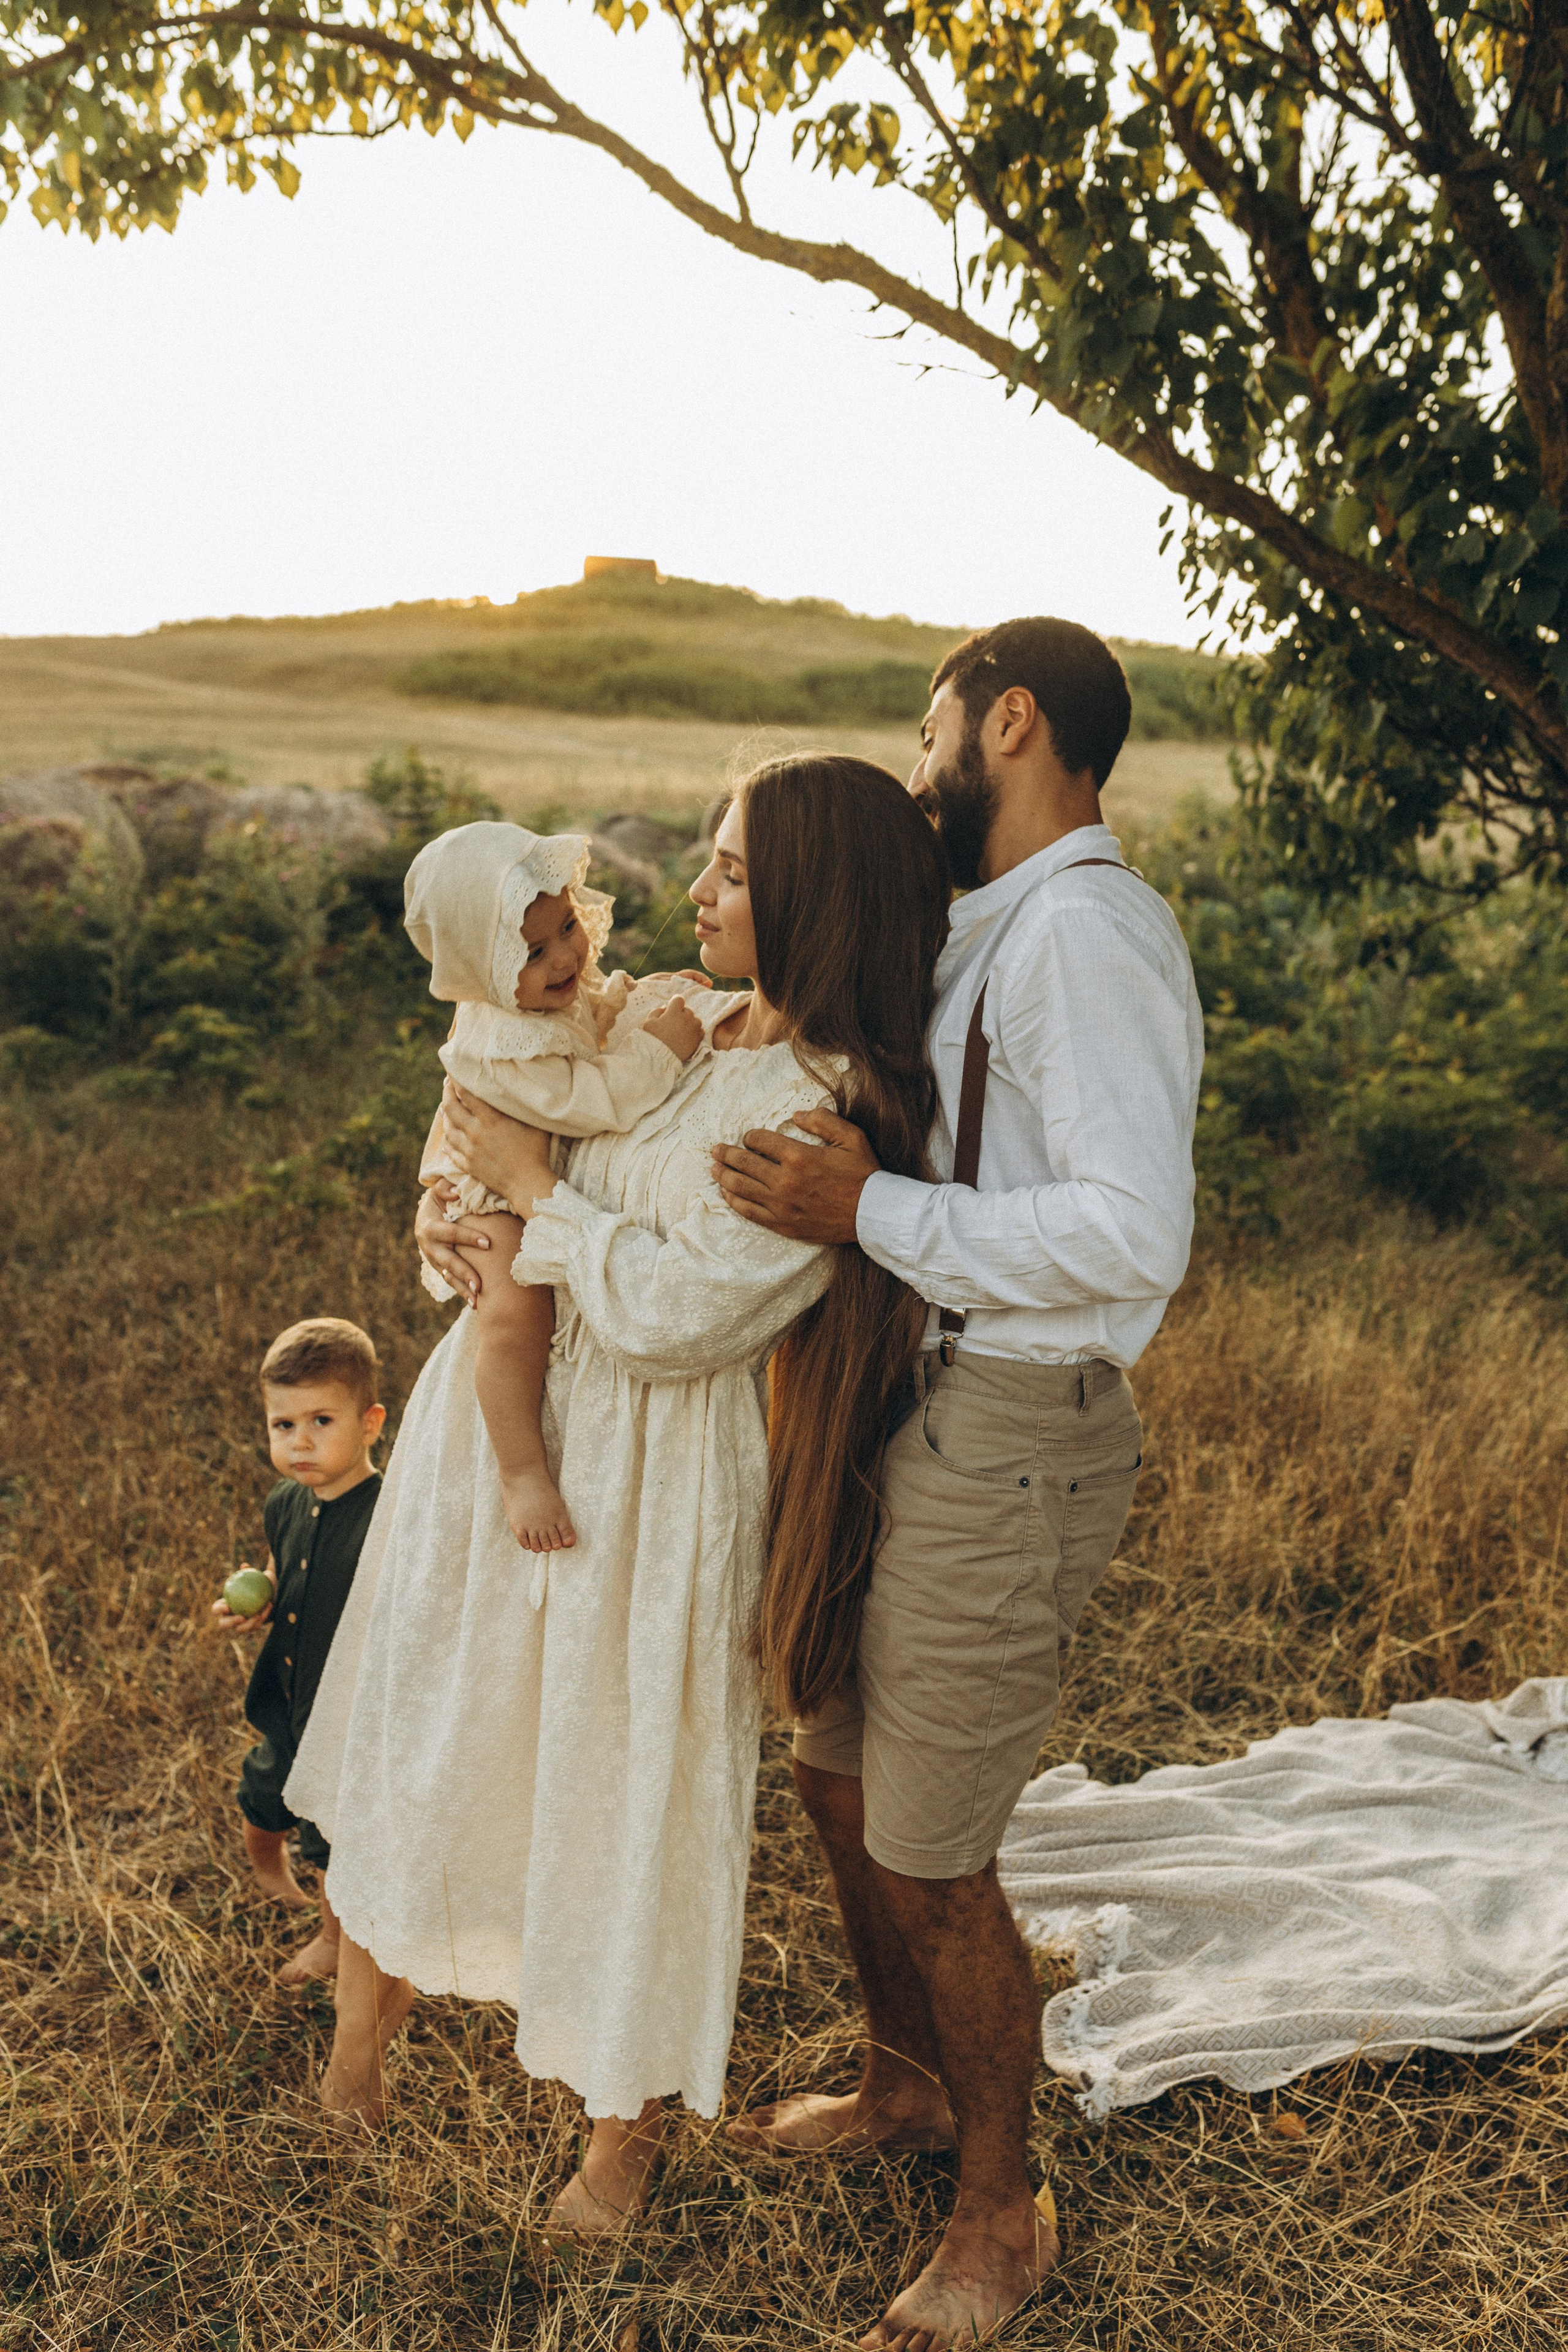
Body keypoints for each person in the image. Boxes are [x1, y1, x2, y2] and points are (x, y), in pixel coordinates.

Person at [284, 756, 950, 2238]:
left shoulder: (825, 1108)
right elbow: (489, 1148)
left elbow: (683, 1316)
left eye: (725, 869)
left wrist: (542, 1186)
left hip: (649, 1476)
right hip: (498, 1428)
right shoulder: (686, 1019)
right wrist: (458, 1216)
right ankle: (361, 2034)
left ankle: (618, 2140)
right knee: (439, 1712)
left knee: (620, 1777)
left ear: (807, 896)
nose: (695, 892)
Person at [712, 617, 1205, 2351]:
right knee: (836, 1775)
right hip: (908, 1406)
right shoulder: (988, 926)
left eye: (931, 728)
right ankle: (904, 2086)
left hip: (1014, 1429)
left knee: (935, 1856)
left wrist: (872, 1216)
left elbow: (1136, 1227)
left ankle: (1005, 2208)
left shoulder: (1082, 934)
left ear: (1010, 720)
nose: (918, 759)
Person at [407, 819, 703, 1555]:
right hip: (488, 1196)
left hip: (513, 1172)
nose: (566, 954)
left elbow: (588, 1022)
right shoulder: (502, 1039)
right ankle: (521, 1470)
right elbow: (586, 1096)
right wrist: (660, 1052)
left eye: (568, 925)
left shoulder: (538, 999)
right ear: (487, 968)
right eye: (535, 952)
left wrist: (634, 1000)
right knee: (515, 1314)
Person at [209, 1317, 386, 1986]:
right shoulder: (286, 1501)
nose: (300, 1442)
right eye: (284, 1426)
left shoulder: (386, 1515)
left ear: (369, 1423)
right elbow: (289, 1574)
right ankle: (266, 1869)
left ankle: (333, 1939)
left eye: (321, 1421)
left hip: (345, 1718)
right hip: (286, 1696)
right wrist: (257, 1604)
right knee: (261, 1794)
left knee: (332, 1839)